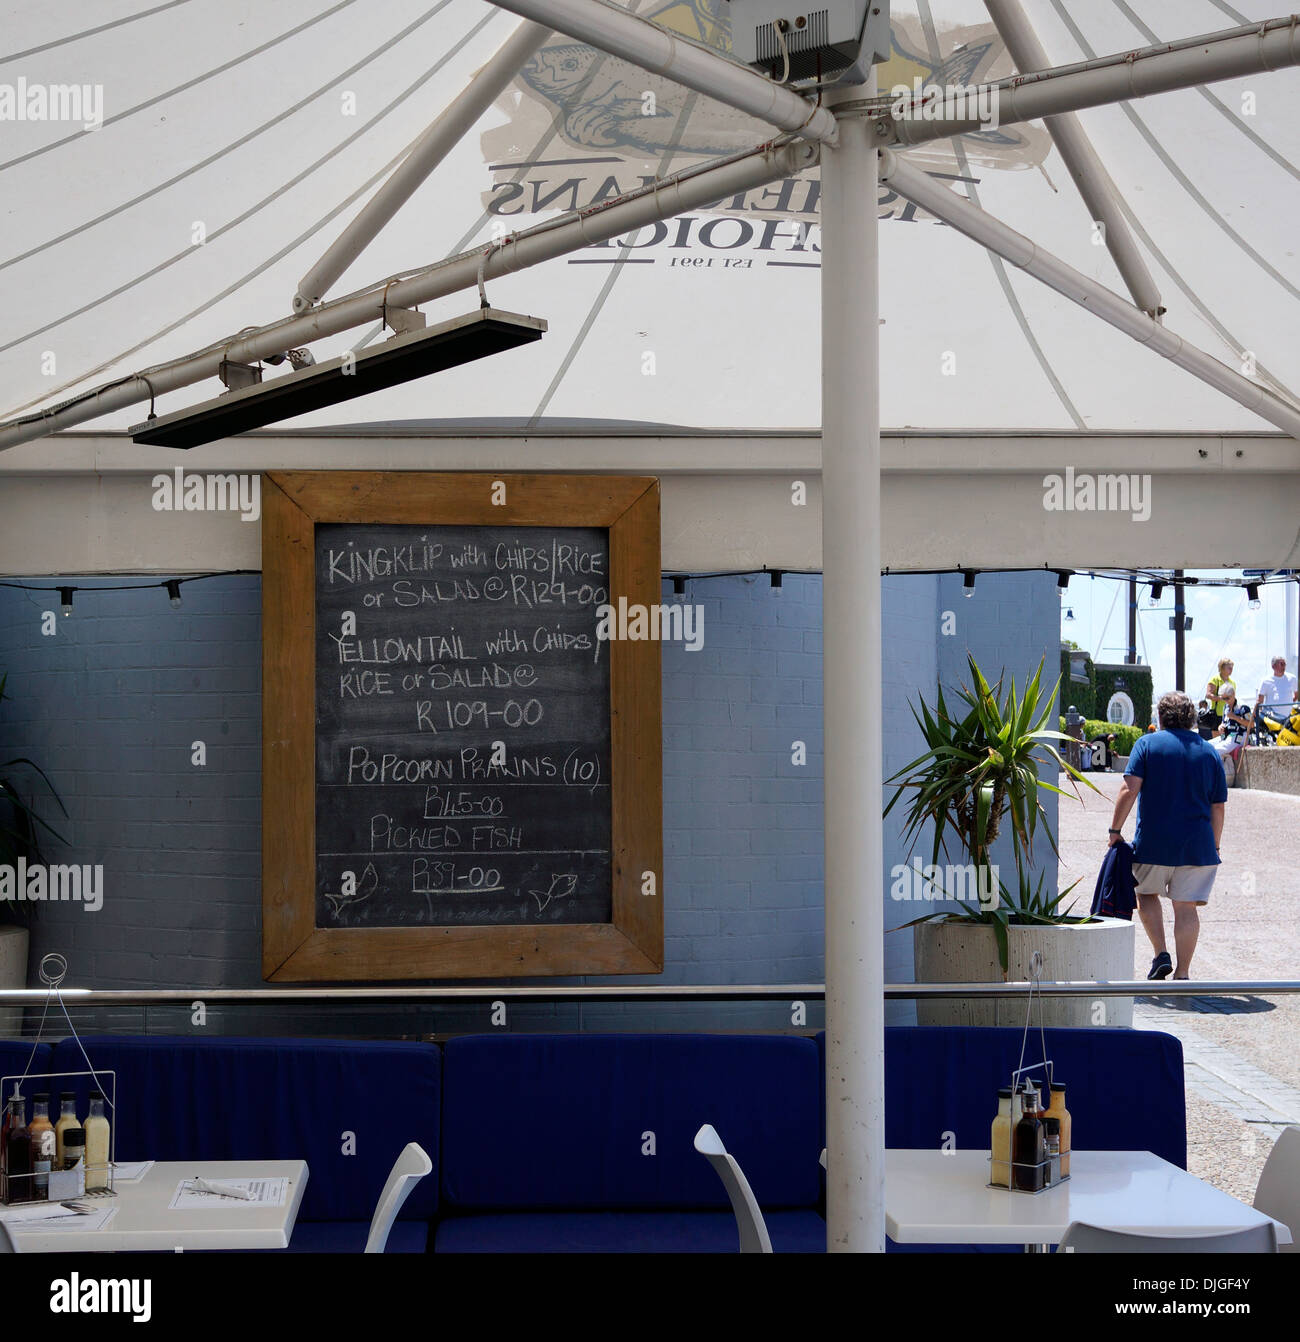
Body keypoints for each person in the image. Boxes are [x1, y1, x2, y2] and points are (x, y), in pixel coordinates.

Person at [1107, 691, 1227, 981]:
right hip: (1197, 846)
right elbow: (1218, 806)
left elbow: (1129, 789)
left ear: (1160, 717)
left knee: (1146, 894)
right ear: (1191, 719)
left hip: (1153, 844)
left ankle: (1161, 954)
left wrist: (1115, 831)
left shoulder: (1147, 744)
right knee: (1185, 908)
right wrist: (1215, 845)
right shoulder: (1210, 752)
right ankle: (1183, 975)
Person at [1203, 658, 1236, 734]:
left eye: (1232, 668)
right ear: (1222, 668)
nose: (1231, 670)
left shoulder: (1232, 682)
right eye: (1229, 668)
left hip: (1229, 714)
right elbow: (1208, 695)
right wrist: (1220, 698)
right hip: (1217, 714)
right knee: (1217, 738)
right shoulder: (1215, 680)